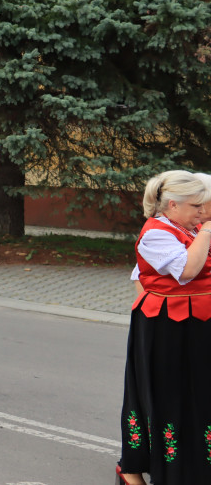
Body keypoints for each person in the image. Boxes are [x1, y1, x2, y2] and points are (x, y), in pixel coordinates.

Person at [117, 171, 211, 485]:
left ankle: (193, 467)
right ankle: (135, 471)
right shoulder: (156, 233)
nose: (202, 212)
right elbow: (186, 271)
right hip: (167, 328)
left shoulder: (189, 227)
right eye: (196, 206)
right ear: (172, 205)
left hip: (197, 326)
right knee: (166, 396)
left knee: (197, 395)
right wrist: (207, 233)